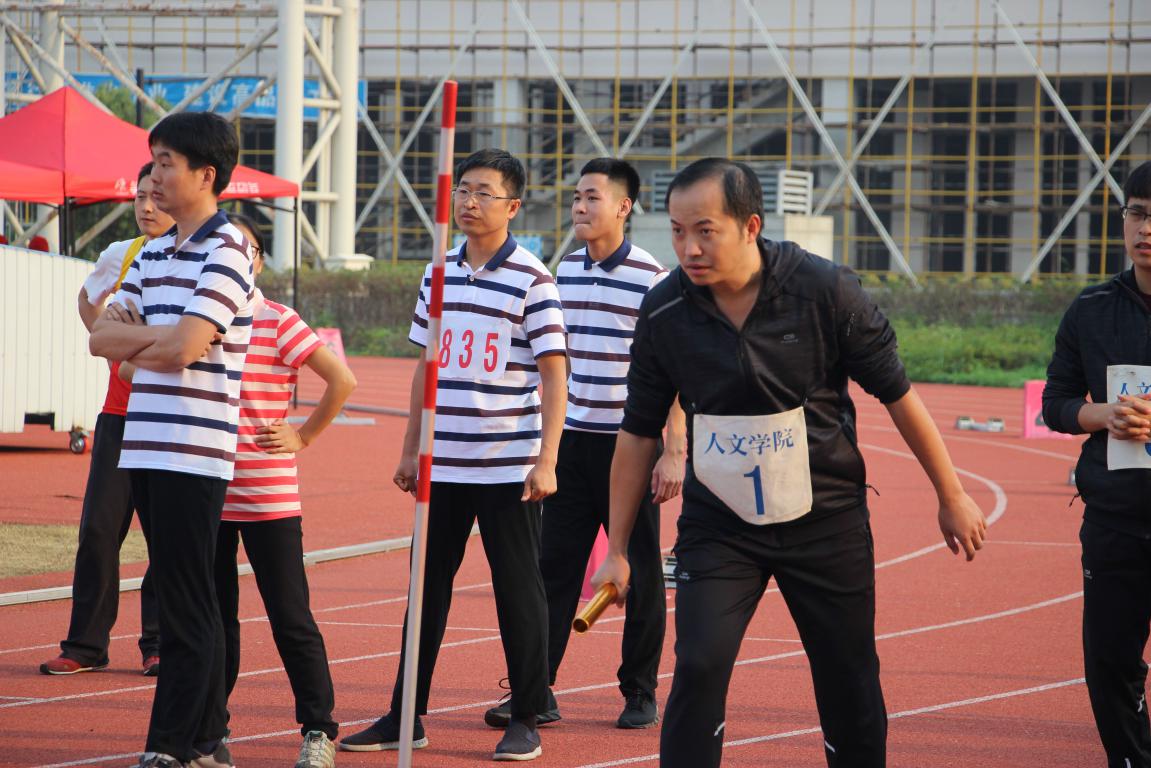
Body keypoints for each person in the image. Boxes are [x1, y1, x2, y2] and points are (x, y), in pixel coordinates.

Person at [591, 157, 987, 768]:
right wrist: (617, 548)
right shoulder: (665, 311)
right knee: (698, 663)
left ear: (750, 226)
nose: (689, 248)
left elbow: (898, 395)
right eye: (677, 231)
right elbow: (638, 432)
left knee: (848, 672)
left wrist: (951, 494)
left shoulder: (824, 291)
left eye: (706, 231)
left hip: (824, 519)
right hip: (720, 525)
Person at [339, 149, 566, 762]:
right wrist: (410, 448)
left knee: (517, 591)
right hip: (443, 464)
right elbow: (426, 365)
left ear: (513, 207)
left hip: (507, 465)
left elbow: (554, 373)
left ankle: (526, 715)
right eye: (463, 189)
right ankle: (405, 714)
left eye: (484, 192)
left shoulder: (534, 280)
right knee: (426, 590)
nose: (469, 201)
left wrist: (547, 459)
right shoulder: (437, 273)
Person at [483, 157, 684, 732]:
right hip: (569, 445)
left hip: (629, 447)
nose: (579, 206)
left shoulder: (652, 278)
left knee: (639, 572)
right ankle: (535, 690)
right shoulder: (562, 271)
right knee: (553, 569)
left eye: (592, 197)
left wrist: (674, 448)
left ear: (623, 207)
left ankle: (639, 690)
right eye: (576, 196)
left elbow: (673, 371)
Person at [89, 110, 252, 768]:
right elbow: (102, 339)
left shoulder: (229, 249)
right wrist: (167, 337)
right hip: (145, 444)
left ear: (205, 175)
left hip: (193, 447)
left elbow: (185, 349)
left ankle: (172, 745)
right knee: (187, 600)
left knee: (187, 603)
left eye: (165, 164)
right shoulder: (153, 251)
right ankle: (206, 741)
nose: (153, 177)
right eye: (152, 161)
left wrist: (153, 340)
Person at [213, 213, 356, 768]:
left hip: (266, 493)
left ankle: (319, 729)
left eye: (244, 249)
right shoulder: (197, 320)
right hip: (205, 490)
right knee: (212, 619)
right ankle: (210, 729)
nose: (233, 256)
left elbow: (341, 379)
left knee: (290, 616)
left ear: (258, 261)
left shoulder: (277, 319)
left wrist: (304, 435)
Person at [39, 162, 171, 677]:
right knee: (98, 529)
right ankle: (86, 644)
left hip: (170, 418)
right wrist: (114, 351)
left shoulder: (201, 260)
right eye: (139, 197)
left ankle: (158, 642)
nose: (146, 207)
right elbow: (86, 300)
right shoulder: (121, 253)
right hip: (119, 414)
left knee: (165, 537)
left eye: (157, 197)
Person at [1043, 160, 1151, 768]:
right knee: (1111, 663)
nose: (1146, 229)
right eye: (1138, 213)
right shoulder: (1091, 309)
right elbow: (1056, 402)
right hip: (1115, 521)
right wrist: (1102, 415)